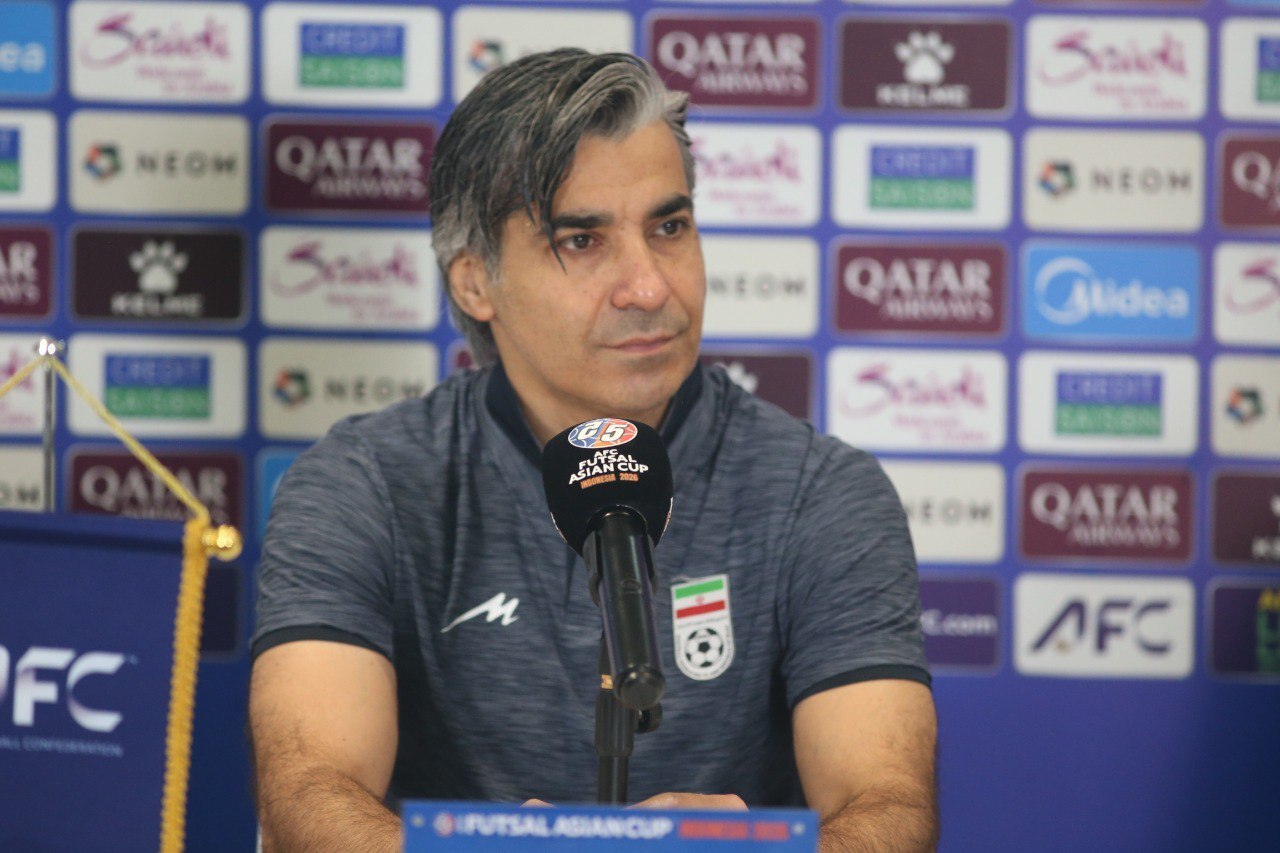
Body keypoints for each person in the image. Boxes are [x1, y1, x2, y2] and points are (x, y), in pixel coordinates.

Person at [250, 49, 937, 852]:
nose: (649, 287)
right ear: (474, 281)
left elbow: (889, 810)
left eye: (669, 227)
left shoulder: (819, 492)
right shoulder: (363, 484)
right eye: (582, 240)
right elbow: (307, 796)